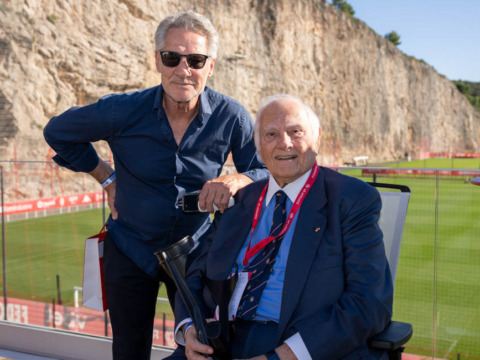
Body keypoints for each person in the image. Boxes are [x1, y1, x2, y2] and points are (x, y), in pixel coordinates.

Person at [43, 10, 268, 360]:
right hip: (130, 248)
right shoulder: (122, 110)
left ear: (211, 66)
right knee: (129, 351)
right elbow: (57, 132)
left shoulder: (232, 115)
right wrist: (106, 176)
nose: (183, 69)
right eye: (172, 57)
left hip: (195, 255)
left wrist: (237, 179)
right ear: (157, 61)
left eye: (195, 59)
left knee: (206, 347)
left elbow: (265, 172)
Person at [170, 94, 394, 360]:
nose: (284, 143)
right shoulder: (238, 201)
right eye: (271, 134)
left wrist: (285, 356)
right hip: (221, 341)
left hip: (300, 342)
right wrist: (189, 329)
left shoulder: (351, 199)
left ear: (317, 137)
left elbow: (369, 301)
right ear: (259, 147)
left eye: (295, 131)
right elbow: (195, 275)